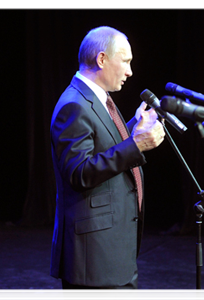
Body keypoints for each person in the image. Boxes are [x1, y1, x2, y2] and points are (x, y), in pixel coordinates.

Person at [50, 26, 165, 300]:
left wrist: (132, 126)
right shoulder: (74, 105)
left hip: (113, 253)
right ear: (102, 59)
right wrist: (136, 144)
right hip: (94, 260)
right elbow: (79, 172)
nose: (130, 71)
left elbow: (101, 144)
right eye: (125, 61)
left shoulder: (98, 99)